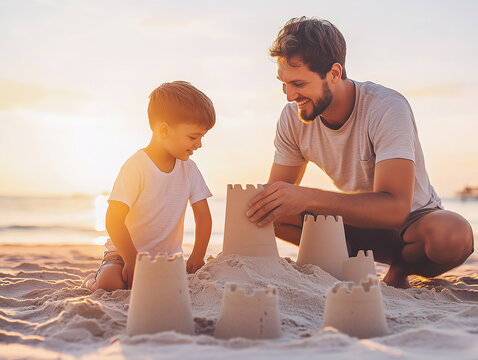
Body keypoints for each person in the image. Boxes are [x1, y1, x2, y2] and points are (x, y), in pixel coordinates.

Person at [246, 17, 474, 288]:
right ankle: (344, 255)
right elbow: (276, 192)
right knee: (259, 207)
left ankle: (398, 272)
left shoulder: (386, 107)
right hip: (350, 226)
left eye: (299, 84)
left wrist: (306, 197)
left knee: (453, 236)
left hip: (409, 226)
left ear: (333, 73)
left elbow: (395, 209)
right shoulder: (291, 118)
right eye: (284, 83)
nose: (289, 95)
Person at [83, 81, 215, 291]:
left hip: (167, 261)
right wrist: (132, 259)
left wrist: (198, 255)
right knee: (111, 284)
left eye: (202, 137)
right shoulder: (136, 166)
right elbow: (113, 219)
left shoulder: (189, 169)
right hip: (124, 255)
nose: (199, 144)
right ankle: (92, 280)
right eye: (193, 137)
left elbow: (203, 216)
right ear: (163, 130)